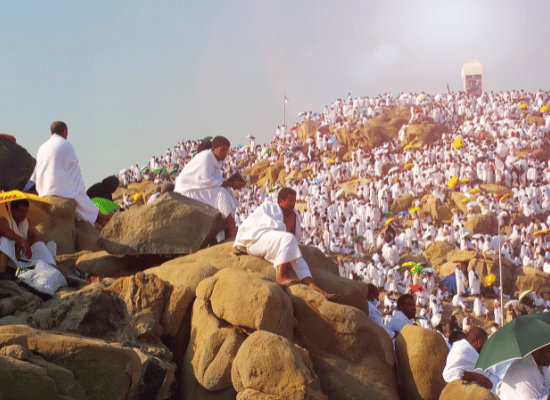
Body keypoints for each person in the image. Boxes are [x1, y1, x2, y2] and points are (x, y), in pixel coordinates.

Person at [233, 187, 337, 299]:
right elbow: (252, 226)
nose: (293, 204)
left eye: (294, 201)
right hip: (256, 241)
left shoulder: (294, 216)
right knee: (288, 238)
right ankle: (280, 277)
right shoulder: (270, 207)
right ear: (281, 201)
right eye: (291, 201)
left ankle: (314, 287)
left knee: (299, 260)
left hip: (274, 244)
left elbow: (291, 240)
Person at [31, 121, 111, 227]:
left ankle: (100, 218)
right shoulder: (65, 144)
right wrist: (79, 188)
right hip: (61, 189)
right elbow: (75, 171)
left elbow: (37, 172)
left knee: (80, 200)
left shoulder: (42, 147)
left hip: (44, 190)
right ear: (64, 131)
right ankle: (102, 218)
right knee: (83, 201)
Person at [174, 136, 244, 237]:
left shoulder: (216, 161)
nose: (225, 153)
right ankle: (231, 227)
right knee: (221, 193)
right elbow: (207, 182)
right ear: (213, 149)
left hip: (197, 189)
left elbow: (217, 181)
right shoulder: (206, 157)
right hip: (186, 192)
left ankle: (228, 226)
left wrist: (232, 184)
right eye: (222, 150)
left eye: (226, 150)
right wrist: (231, 183)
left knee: (226, 190)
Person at [0, 199, 56, 277]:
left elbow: (32, 236)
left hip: (22, 254)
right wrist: (21, 241)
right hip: (8, 259)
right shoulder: (4, 220)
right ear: (12, 210)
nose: (24, 214)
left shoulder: (27, 222)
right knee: (5, 241)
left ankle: (52, 269)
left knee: (40, 244)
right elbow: (4, 230)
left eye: (26, 211)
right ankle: (2, 273)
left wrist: (25, 244)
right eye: (21, 211)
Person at [443, 327, 497, 392]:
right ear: (479, 343)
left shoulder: (468, 349)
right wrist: (474, 376)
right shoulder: (463, 350)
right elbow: (448, 374)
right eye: (485, 344)